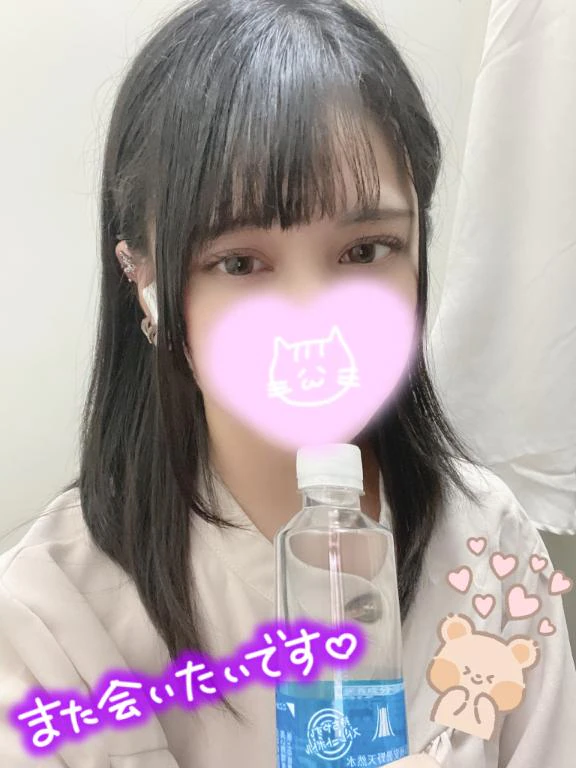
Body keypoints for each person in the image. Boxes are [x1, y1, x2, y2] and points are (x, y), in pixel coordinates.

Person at [1, 0, 574, 766]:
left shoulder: (488, 544)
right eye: (239, 263)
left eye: (366, 250)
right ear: (143, 281)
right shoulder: (46, 615)